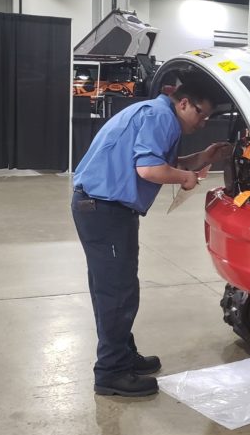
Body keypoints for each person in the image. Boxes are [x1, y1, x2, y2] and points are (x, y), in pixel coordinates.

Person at [71, 71, 232, 397]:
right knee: (117, 292)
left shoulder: (155, 113)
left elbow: (158, 161)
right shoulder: (161, 117)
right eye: (201, 114)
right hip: (104, 208)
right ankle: (110, 372)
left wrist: (201, 159)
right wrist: (185, 178)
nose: (203, 123)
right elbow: (149, 170)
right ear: (183, 102)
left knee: (115, 288)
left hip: (101, 207)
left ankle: (122, 354)